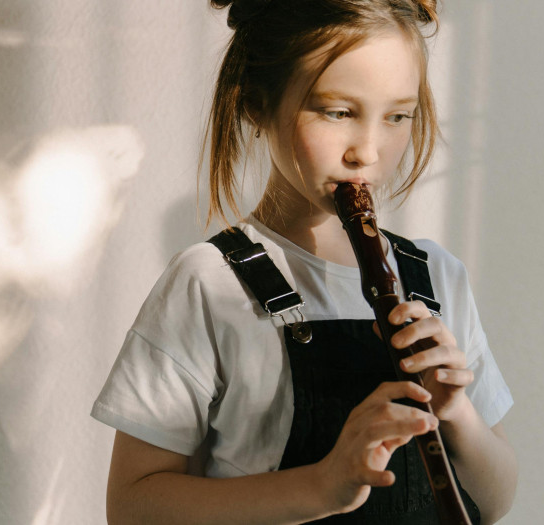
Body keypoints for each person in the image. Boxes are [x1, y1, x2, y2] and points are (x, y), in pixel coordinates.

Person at [92, 0, 517, 523]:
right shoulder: (207, 283)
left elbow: (495, 503)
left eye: (398, 116)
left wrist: (455, 414)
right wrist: (321, 485)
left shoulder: (436, 277)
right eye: (338, 112)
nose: (368, 149)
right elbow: (131, 506)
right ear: (256, 104)